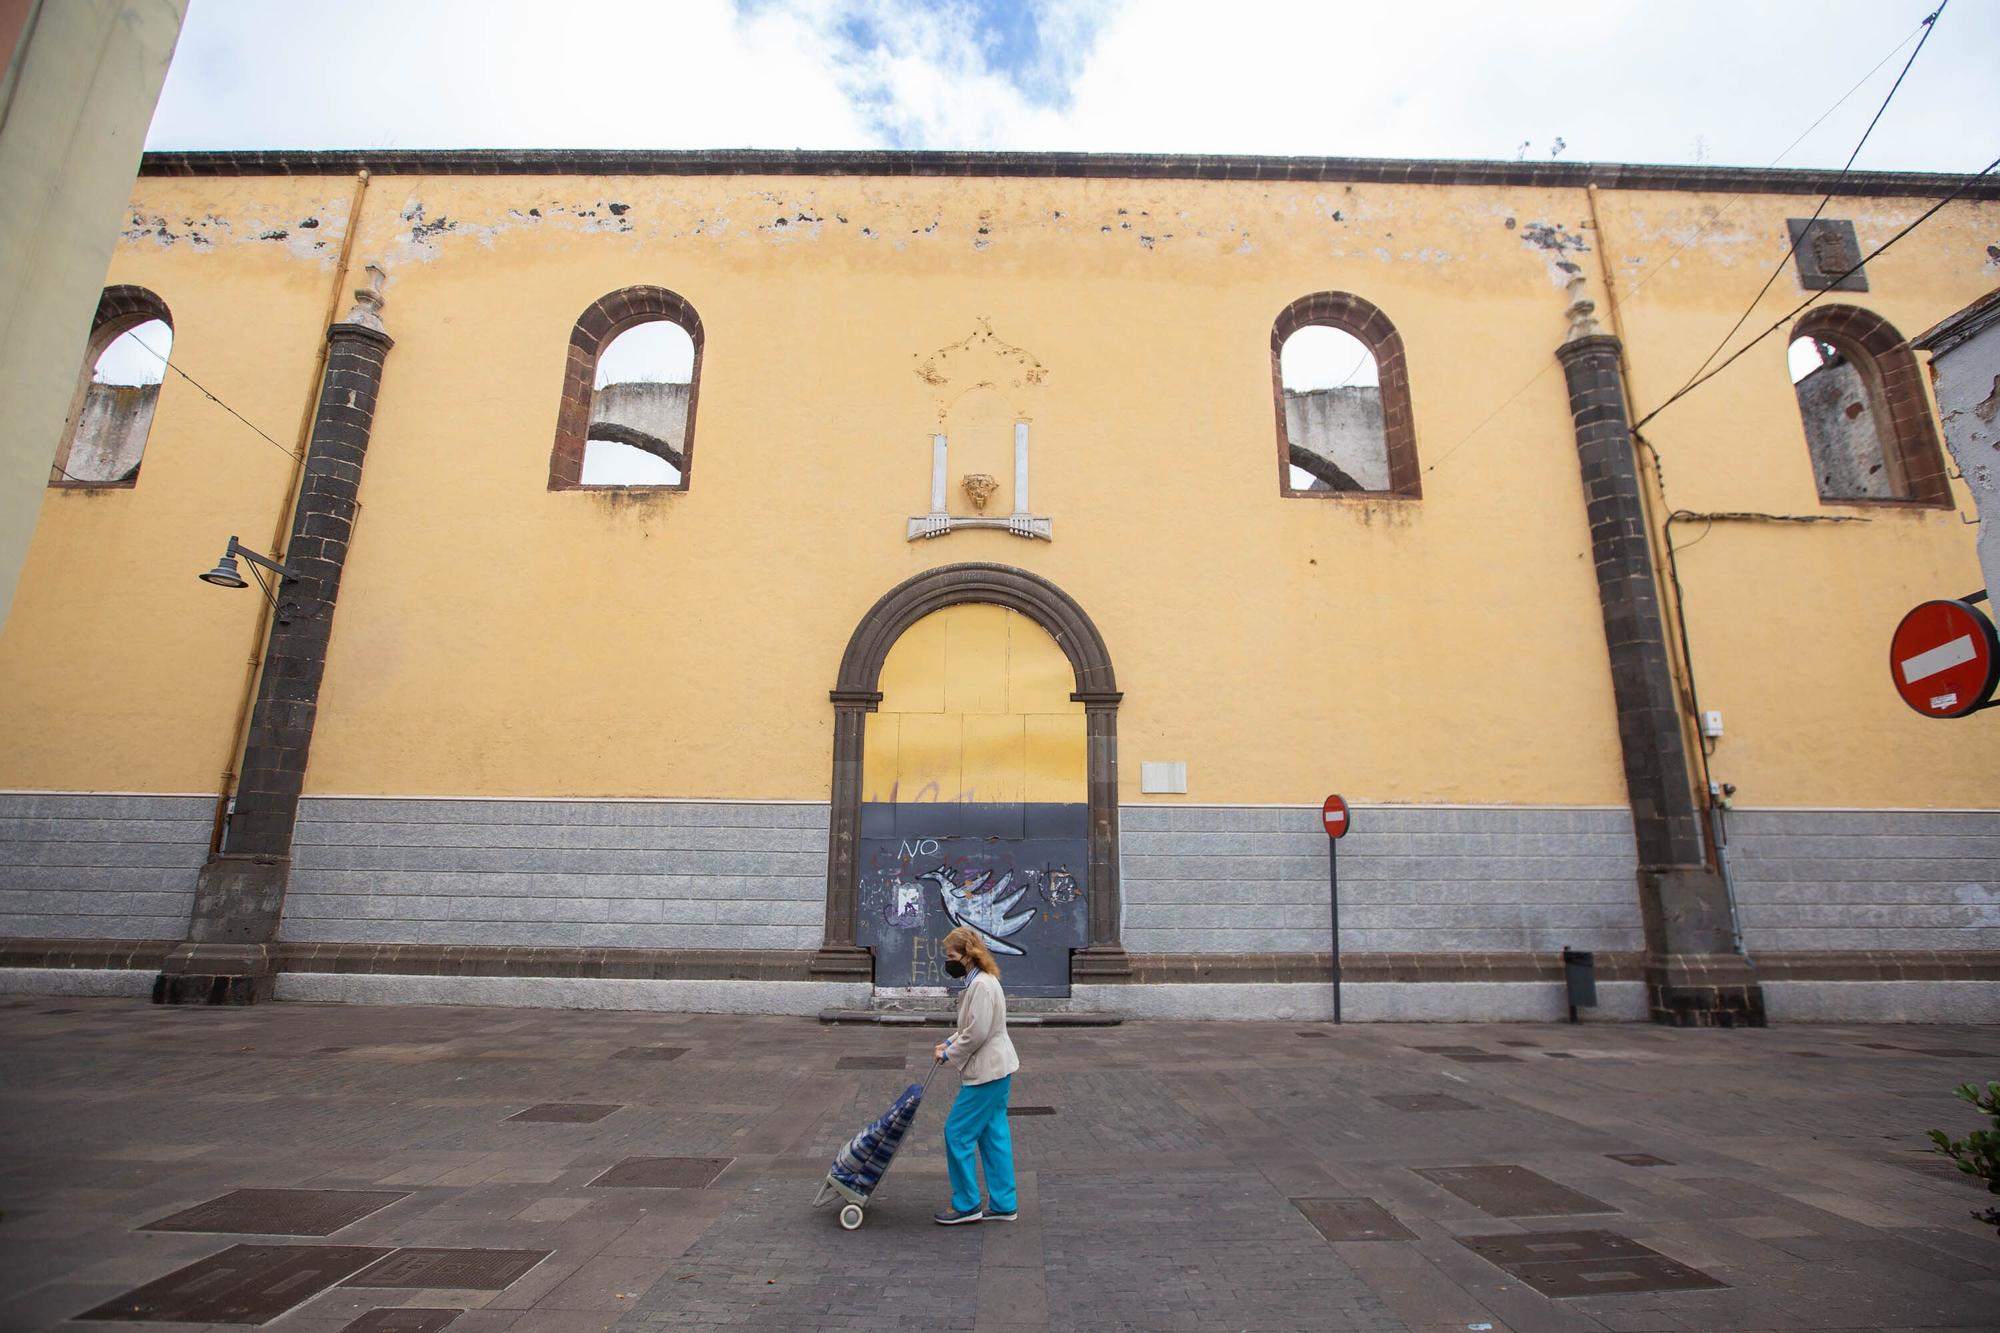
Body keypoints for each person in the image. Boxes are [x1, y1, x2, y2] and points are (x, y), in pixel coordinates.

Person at [931, 924, 1020, 1224]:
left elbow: (978, 1032)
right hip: (998, 1068)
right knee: (993, 1135)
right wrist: (948, 1041)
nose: (949, 960)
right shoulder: (983, 981)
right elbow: (972, 1027)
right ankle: (1005, 1203)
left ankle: (967, 1203)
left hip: (987, 1072)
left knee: (956, 1132)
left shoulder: (981, 985)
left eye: (951, 954)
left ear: (967, 956)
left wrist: (950, 1053)